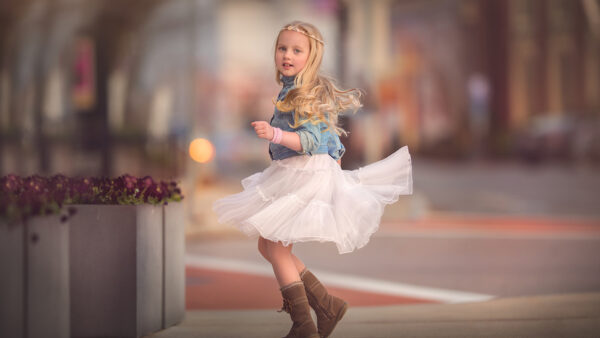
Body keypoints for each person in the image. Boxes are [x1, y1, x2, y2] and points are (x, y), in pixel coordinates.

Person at [213, 21, 413, 338]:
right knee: (268, 245)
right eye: (282, 48)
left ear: (312, 56)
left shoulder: (301, 92)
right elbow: (328, 136)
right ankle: (326, 304)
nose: (287, 55)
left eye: (296, 50)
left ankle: (304, 325)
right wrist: (333, 154)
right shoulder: (299, 88)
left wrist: (274, 132)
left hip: (302, 173)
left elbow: (307, 140)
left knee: (276, 249)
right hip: (300, 170)